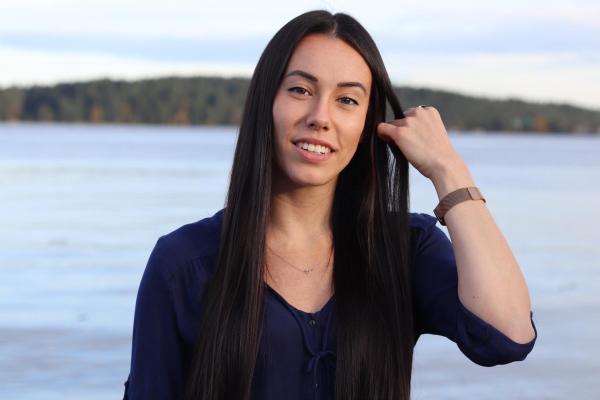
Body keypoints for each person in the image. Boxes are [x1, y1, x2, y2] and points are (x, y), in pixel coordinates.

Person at [122, 9, 537, 400]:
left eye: (348, 100)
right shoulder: (184, 264)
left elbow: (507, 335)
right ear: (266, 104)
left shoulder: (403, 248)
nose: (321, 116)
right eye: (301, 90)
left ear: (366, 126)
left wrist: (449, 170)